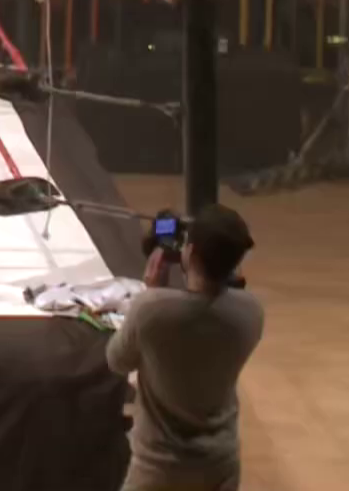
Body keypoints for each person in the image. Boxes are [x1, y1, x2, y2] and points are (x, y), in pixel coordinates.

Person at [106, 204, 265, 491]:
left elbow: (118, 360)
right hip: (220, 464)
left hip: (157, 468)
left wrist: (152, 292)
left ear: (189, 252)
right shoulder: (252, 312)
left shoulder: (150, 309)